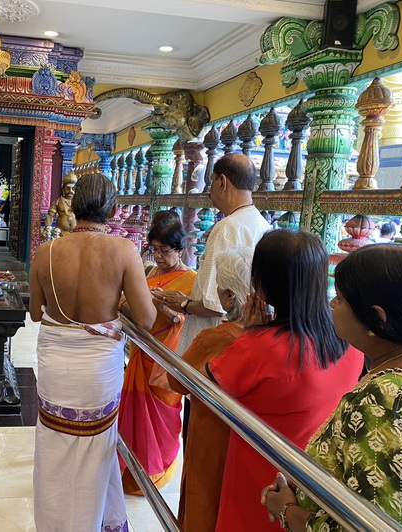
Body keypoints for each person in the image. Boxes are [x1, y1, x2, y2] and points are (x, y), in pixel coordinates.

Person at [206, 230, 365, 532]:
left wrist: (246, 335)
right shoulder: (349, 341)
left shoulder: (258, 348)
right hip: (318, 477)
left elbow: (198, 385)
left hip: (261, 479)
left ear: (261, 285)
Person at [30, 172, 156, 532]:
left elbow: (36, 313)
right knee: (96, 449)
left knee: (55, 446)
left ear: (72, 205)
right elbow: (146, 319)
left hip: (57, 369)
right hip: (98, 372)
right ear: (113, 210)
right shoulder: (124, 251)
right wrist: (116, 303)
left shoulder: (46, 251)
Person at [262, 244, 402, 531]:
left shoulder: (384, 401)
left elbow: (371, 525)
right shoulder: (385, 374)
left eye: (341, 299)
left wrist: (287, 511)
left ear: (377, 318)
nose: (332, 304)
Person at [161, 248, 254, 532]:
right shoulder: (269, 335)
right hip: (250, 443)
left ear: (229, 296)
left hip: (212, 436)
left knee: (203, 502)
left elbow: (176, 381)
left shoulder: (217, 337)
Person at [152, 153, 270, 356]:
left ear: (222, 182)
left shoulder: (227, 227)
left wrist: (184, 304)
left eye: (212, 181)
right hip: (247, 337)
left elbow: (214, 305)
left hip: (215, 340)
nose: (209, 189)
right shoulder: (263, 224)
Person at [118, 222, 196, 494]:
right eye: (155, 250)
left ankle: (156, 473)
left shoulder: (192, 280)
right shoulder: (149, 272)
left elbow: (193, 322)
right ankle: (130, 473)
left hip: (166, 359)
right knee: (134, 417)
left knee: (163, 418)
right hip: (142, 351)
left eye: (165, 251)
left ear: (181, 250)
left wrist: (172, 312)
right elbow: (126, 302)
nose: (159, 257)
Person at [41, 171, 78, 239]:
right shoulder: (58, 202)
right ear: (63, 190)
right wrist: (47, 228)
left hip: (76, 234)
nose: (70, 190)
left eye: (73, 188)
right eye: (68, 188)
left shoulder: (79, 202)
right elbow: (50, 216)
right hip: (60, 233)